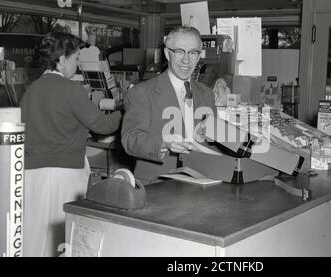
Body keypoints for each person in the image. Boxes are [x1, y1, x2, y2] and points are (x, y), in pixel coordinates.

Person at [21, 32, 122, 257]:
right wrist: (126, 111)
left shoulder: (31, 91)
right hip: (63, 175)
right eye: (76, 58)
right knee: (62, 240)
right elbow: (102, 125)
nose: (77, 64)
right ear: (63, 59)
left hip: (32, 175)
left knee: (36, 236)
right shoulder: (70, 89)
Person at [121, 26, 215, 184]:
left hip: (200, 182)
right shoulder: (142, 92)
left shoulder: (206, 94)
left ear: (199, 57)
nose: (186, 60)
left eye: (192, 52)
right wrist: (163, 142)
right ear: (167, 54)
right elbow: (130, 139)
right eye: (179, 51)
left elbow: (214, 141)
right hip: (155, 184)